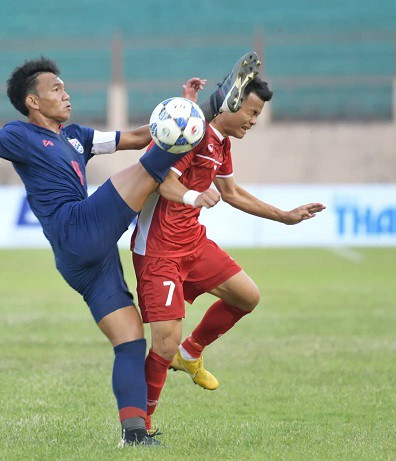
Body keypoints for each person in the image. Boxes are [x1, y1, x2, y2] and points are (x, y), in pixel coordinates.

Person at [0, 52, 260, 446]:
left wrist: (181, 109)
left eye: (64, 86)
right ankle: (219, 103)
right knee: (147, 170)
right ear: (33, 101)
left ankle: (134, 435)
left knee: (131, 340)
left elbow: (138, 138)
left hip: (86, 260)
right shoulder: (20, 135)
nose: (66, 94)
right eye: (56, 88)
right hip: (76, 228)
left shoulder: (76, 136)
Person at [130, 76, 326, 432]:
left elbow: (231, 192)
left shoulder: (221, 144)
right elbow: (164, 181)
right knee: (163, 341)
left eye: (258, 113)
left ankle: (190, 353)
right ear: (232, 105)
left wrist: (284, 216)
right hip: (159, 250)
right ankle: (139, 427)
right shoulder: (195, 135)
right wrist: (194, 197)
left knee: (246, 296)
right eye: (251, 112)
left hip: (193, 242)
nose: (254, 120)